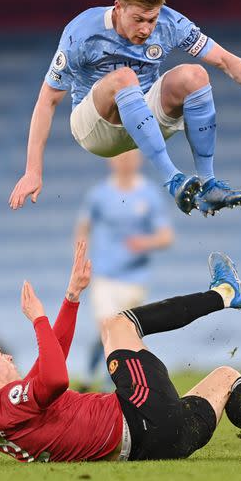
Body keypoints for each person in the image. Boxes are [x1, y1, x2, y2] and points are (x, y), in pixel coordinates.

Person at [0, 241, 241, 462]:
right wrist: (37, 318)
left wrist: (71, 298)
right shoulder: (11, 401)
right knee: (118, 325)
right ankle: (226, 293)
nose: (7, 356)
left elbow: (47, 365)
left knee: (225, 378)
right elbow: (54, 375)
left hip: (162, 445)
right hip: (138, 418)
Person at [9, 0, 241, 217]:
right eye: (138, 19)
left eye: (151, 20)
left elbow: (223, 59)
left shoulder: (169, 23)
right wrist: (33, 170)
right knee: (124, 77)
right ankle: (173, 179)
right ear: (118, 7)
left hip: (142, 114)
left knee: (195, 75)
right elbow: (48, 99)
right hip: (95, 128)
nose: (146, 29)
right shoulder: (82, 33)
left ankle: (209, 184)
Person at [75, 149, 174, 390]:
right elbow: (83, 227)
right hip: (105, 276)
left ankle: (90, 377)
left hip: (135, 278)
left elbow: (166, 237)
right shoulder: (100, 194)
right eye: (120, 156)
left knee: (119, 333)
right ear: (111, 160)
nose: (125, 160)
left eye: (130, 156)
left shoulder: (149, 194)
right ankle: (113, 389)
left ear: (139, 159)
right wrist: (79, 259)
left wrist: (145, 243)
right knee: (107, 327)